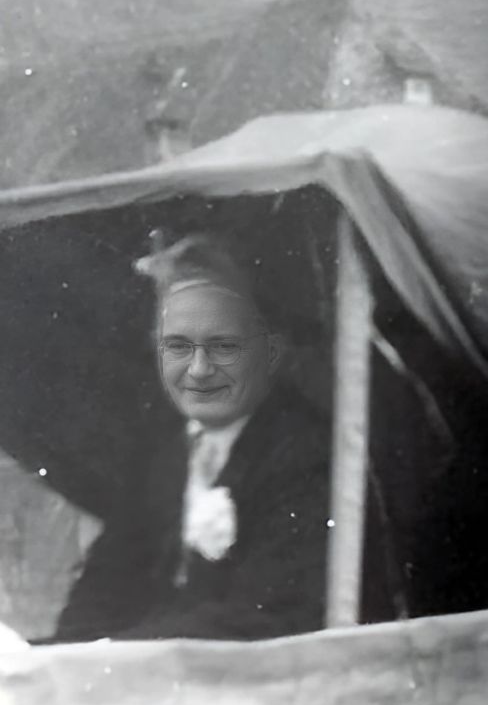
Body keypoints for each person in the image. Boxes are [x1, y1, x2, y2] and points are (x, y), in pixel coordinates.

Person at [53, 233, 329, 642]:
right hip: (153, 664)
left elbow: (267, 617)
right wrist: (65, 656)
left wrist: (117, 654)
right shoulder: (163, 452)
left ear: (271, 352)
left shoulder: (304, 452)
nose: (198, 369)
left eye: (223, 346)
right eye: (178, 346)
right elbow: (106, 583)